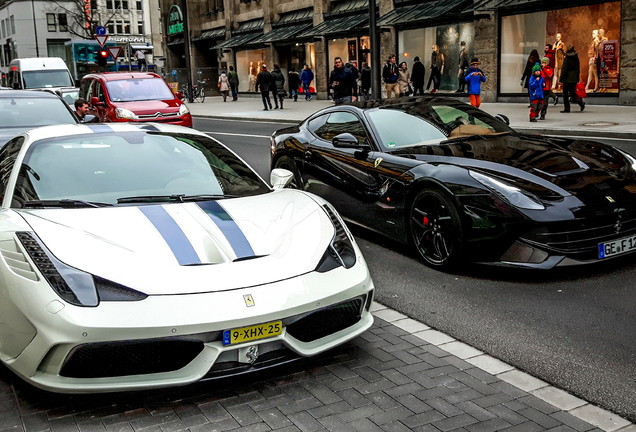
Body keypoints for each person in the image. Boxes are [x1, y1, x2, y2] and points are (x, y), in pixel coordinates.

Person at [559, 45, 585, 113]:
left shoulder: (567, 58)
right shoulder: (576, 57)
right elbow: (578, 68)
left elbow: (564, 69)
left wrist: (561, 78)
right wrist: (577, 77)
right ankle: (580, 102)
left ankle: (567, 108)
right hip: (573, 78)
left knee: (565, 94)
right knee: (572, 93)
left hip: (567, 78)